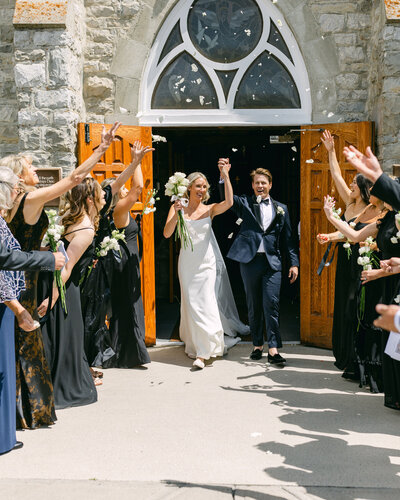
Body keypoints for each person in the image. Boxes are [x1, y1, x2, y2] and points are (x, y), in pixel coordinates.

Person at [1, 122, 121, 428]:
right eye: (29, 166)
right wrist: (102, 150)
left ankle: (14, 412)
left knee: (13, 343)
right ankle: (27, 413)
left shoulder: (12, 204)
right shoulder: (30, 199)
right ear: (19, 175)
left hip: (13, 276)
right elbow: (75, 178)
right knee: (27, 346)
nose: (35, 169)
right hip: (25, 281)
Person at [0, 167, 65, 455]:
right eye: (13, 186)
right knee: (4, 370)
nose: (17, 191)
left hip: (9, 299)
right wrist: (48, 258)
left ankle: (5, 434)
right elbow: (4, 260)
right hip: (5, 301)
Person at [81, 140, 154, 370]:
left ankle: (119, 351)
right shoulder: (120, 210)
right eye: (120, 188)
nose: (124, 190)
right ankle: (128, 354)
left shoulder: (115, 211)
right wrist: (138, 162)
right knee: (127, 307)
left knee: (121, 306)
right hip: (122, 265)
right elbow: (138, 189)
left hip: (119, 263)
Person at [163, 167, 245, 369]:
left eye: (204, 186)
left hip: (206, 264)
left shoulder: (210, 209)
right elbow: (167, 233)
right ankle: (195, 343)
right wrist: (177, 213)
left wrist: (225, 176)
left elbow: (229, 202)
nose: (201, 189)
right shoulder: (176, 207)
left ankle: (204, 352)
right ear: (189, 187)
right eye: (198, 186)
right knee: (191, 304)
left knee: (206, 303)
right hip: (187, 263)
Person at [218, 160, 298, 365]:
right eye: (256, 183)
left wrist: (294, 263)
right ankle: (256, 345)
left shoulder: (282, 208)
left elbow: (289, 239)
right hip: (250, 261)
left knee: (271, 304)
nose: (260, 186)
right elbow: (227, 198)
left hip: (273, 263)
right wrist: (224, 175)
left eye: (263, 183)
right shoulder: (245, 203)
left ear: (270, 184)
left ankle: (273, 349)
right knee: (253, 305)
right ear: (252, 185)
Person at [38, 178, 105, 409]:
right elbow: (67, 267)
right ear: (89, 199)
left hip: (56, 283)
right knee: (67, 336)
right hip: (65, 289)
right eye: (100, 194)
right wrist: (53, 299)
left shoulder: (71, 219)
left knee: (61, 336)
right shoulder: (85, 229)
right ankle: (66, 385)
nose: (104, 197)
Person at [318, 130, 373, 372]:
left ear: (362, 189)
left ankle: (356, 359)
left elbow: (354, 235)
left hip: (360, 264)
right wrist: (331, 152)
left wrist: (332, 235)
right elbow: (337, 175)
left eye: (353, 185)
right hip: (344, 261)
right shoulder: (350, 204)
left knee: (354, 309)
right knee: (342, 305)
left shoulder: (372, 211)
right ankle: (343, 355)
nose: (349, 186)